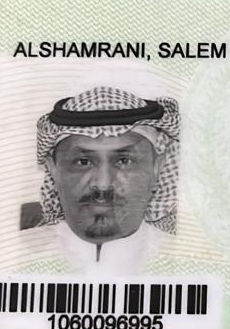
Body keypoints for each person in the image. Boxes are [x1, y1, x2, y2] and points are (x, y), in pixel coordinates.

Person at [30, 86, 179, 273]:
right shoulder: (16, 254)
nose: (103, 184)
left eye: (124, 161)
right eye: (83, 162)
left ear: (157, 168)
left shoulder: (187, 257)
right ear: (53, 169)